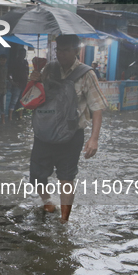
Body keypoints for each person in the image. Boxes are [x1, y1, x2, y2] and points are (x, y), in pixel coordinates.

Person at [29, 35, 108, 223]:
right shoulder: (49, 69)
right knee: (37, 175)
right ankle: (47, 202)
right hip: (44, 131)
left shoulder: (86, 73)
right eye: (58, 50)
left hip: (71, 135)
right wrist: (33, 81)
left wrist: (94, 139)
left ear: (75, 51)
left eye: (65, 50)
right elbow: (32, 100)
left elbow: (97, 107)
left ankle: (64, 219)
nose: (61, 54)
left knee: (66, 177)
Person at [8, 48, 29, 121]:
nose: (23, 55)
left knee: (21, 101)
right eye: (22, 54)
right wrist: (12, 82)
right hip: (17, 85)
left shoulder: (25, 62)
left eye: (24, 54)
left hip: (24, 84)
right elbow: (9, 73)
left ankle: (20, 116)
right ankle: (10, 117)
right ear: (19, 54)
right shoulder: (15, 62)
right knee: (14, 101)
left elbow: (27, 72)